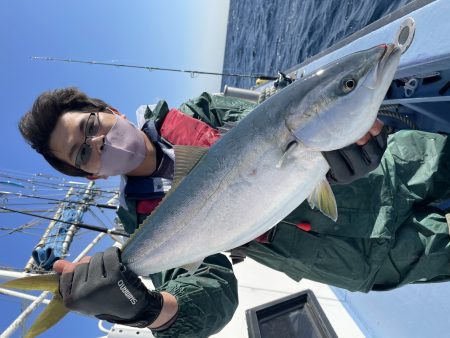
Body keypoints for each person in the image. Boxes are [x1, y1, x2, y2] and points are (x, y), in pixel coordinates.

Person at [18, 87, 450, 337]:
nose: (96, 144)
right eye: (83, 154)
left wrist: (350, 142)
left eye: (91, 127)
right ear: (90, 176)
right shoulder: (142, 225)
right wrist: (147, 309)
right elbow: (209, 290)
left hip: (400, 165)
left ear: (109, 112)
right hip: (364, 255)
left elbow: (298, 127)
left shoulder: (202, 112)